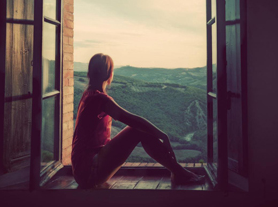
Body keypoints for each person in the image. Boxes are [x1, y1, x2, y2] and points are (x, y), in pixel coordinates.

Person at [71, 53, 205, 189]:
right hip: (89, 171)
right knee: (137, 130)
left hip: (83, 169)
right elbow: (133, 120)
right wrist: (162, 135)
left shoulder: (89, 94)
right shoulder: (100, 99)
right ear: (108, 74)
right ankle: (179, 173)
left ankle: (178, 172)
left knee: (138, 129)